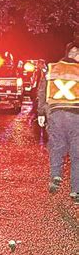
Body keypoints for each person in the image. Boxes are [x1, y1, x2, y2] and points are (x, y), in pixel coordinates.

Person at [37, 41, 79, 203]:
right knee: (77, 154)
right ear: (75, 53)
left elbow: (42, 90)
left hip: (55, 114)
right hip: (76, 115)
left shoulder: (52, 68)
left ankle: (56, 175)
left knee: (57, 146)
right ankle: (76, 191)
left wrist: (41, 112)